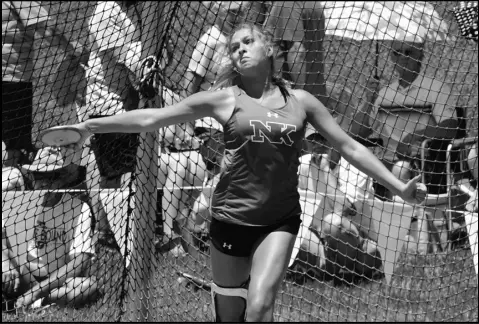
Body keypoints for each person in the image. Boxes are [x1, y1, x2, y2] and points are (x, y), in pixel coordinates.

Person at [45, 23, 427, 322]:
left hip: (279, 219)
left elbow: (350, 146)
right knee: (230, 315)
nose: (239, 50)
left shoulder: (302, 102)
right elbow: (153, 117)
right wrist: (91, 127)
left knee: (260, 309)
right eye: (234, 47)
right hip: (229, 219)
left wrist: (399, 187)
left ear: (270, 50)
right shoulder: (225, 99)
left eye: (247, 42)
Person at [3, 147, 103, 310]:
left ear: (62, 179)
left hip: (57, 280)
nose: (44, 184)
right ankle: (33, 300)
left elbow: (80, 261)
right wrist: (5, 262)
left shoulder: (79, 208)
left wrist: (36, 292)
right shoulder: (21, 203)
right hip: (23, 274)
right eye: (39, 177)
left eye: (51, 178)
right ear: (32, 179)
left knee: (87, 287)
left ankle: (36, 300)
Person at [362, 41, 459, 198]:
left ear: (420, 55)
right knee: (353, 164)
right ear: (392, 58)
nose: (402, 57)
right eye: (397, 53)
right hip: (384, 163)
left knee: (400, 168)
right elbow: (357, 132)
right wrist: (369, 100)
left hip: (419, 163)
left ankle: (407, 218)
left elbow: (450, 127)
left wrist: (414, 137)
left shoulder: (435, 88)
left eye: (408, 52)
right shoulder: (384, 93)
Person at [2, 1, 85, 167]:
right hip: (12, 81)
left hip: (10, 78)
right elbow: (48, 30)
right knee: (17, 149)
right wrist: (71, 48)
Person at [294, 130, 381, 281]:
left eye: (323, 137)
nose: (317, 144)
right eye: (312, 139)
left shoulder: (356, 166)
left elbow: (343, 210)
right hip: (322, 243)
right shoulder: (303, 164)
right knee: (285, 227)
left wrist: (325, 170)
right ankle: (326, 270)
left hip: (360, 248)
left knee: (334, 223)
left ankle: (348, 272)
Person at [263, 1, 327, 104]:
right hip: (314, 90)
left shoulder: (287, 4)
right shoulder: (313, 3)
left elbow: (297, 52)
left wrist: (300, 96)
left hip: (287, 96)